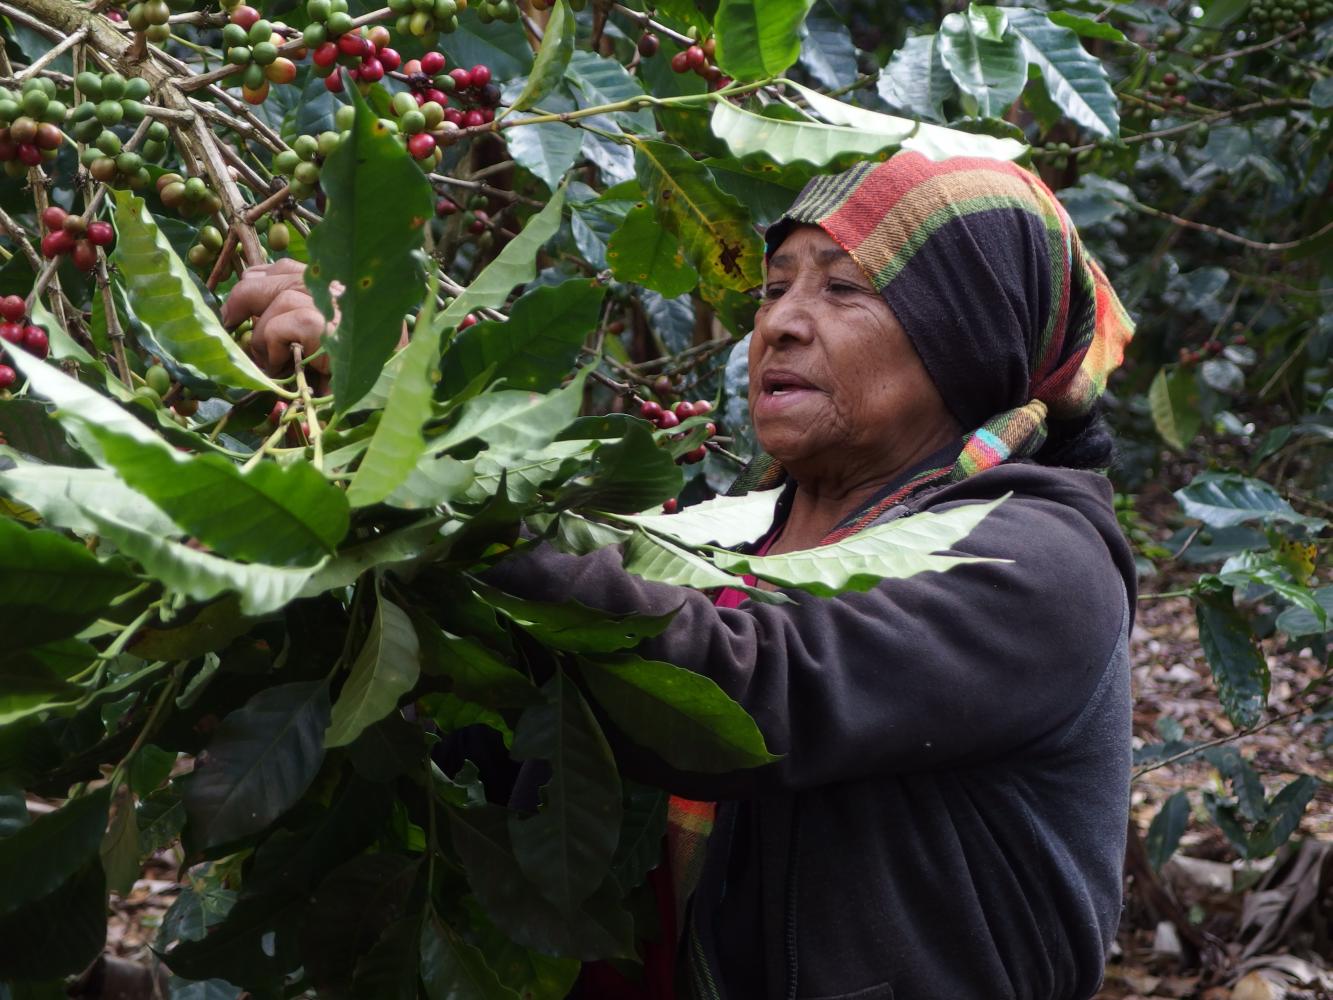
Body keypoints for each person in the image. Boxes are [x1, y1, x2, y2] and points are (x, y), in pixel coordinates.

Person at [225, 152, 1137, 1000]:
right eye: (773, 288)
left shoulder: (1040, 558)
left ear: (970, 332)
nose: (778, 323)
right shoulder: (723, 536)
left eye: (844, 287)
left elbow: (745, 692)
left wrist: (420, 439)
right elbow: (526, 731)